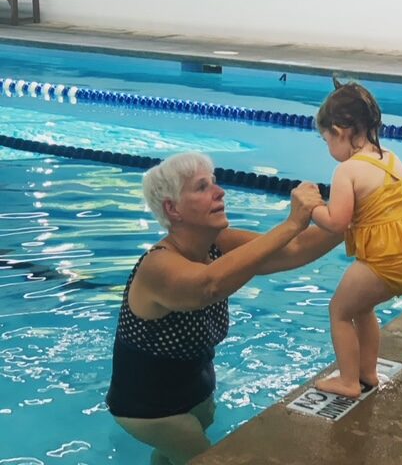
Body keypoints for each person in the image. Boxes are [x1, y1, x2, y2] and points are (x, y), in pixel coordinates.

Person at [106, 151, 342, 465]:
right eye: (202, 187)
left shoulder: (219, 244)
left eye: (214, 183)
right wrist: (293, 223)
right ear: (172, 208)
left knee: (171, 458)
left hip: (196, 394)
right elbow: (207, 286)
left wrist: (352, 219)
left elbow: (294, 250)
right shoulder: (157, 266)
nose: (220, 192)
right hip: (150, 412)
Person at [311, 78, 402, 398]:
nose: (328, 147)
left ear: (340, 131)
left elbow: (336, 223)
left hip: (384, 263)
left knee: (339, 311)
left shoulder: (347, 171)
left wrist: (311, 208)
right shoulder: (390, 156)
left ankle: (348, 381)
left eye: (326, 140)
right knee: (362, 308)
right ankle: (368, 372)